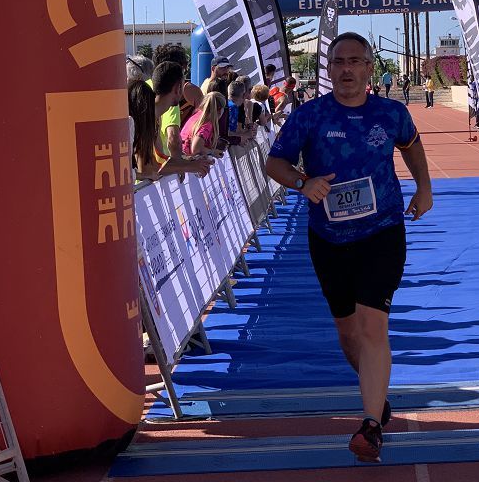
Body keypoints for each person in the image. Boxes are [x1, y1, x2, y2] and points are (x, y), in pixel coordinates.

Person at [265, 32, 433, 464]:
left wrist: (424, 188)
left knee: (374, 326)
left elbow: (412, 145)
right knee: (347, 333)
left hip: (382, 232)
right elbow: (274, 162)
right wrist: (304, 182)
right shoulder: (309, 116)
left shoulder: (390, 113)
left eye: (355, 61)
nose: (345, 69)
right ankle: (376, 398)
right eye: (338, 62)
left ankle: (371, 425)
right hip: (328, 238)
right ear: (330, 69)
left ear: (369, 68)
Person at [128, 79, 212, 180]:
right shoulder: (132, 124)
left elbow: (157, 161)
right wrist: (189, 165)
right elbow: (148, 166)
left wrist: (187, 162)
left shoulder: (140, 121)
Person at [152, 61, 185, 158]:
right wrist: (187, 166)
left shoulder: (154, 116)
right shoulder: (147, 118)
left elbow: (160, 160)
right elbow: (148, 167)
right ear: (177, 88)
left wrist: (189, 162)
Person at [181, 92, 226, 157]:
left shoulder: (198, 113)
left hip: (179, 154)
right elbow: (196, 149)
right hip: (186, 160)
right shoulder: (207, 124)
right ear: (219, 111)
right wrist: (212, 152)